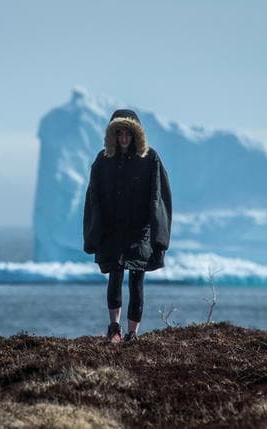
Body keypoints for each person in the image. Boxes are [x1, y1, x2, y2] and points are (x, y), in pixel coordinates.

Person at [83, 109, 172, 343]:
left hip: (139, 233)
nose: (123, 139)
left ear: (136, 135)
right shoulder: (103, 160)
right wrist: (94, 234)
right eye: (119, 134)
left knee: (136, 280)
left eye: (128, 134)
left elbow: (159, 197)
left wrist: (159, 237)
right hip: (112, 231)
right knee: (114, 275)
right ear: (112, 135)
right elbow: (93, 198)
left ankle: (133, 333)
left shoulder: (150, 158)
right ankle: (114, 329)